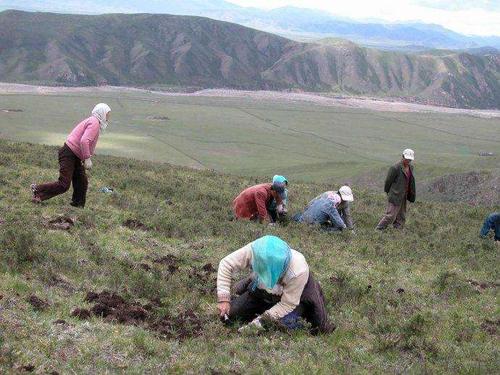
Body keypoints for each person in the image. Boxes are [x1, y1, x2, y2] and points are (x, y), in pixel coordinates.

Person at [216, 235, 334, 335]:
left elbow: (287, 304)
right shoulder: (256, 249)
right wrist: (224, 299)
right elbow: (226, 264)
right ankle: (264, 309)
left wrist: (257, 324)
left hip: (293, 300)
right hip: (261, 292)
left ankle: (297, 318)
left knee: (284, 325)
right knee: (232, 313)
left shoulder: (298, 270)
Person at [30, 103, 111, 208]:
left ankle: (77, 205)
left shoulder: (93, 121)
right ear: (101, 113)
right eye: (107, 114)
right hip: (69, 153)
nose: (108, 118)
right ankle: (37, 190)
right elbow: (84, 141)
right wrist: (87, 158)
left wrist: (84, 157)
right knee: (64, 184)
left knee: (82, 182)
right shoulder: (94, 122)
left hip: (75, 155)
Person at [376, 149, 416, 230]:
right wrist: (389, 192)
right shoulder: (395, 167)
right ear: (403, 156)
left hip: (404, 195)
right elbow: (388, 181)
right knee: (390, 216)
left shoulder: (411, 167)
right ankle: (378, 229)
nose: (408, 161)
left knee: (401, 216)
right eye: (407, 159)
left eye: (410, 160)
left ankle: (397, 232)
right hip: (395, 195)